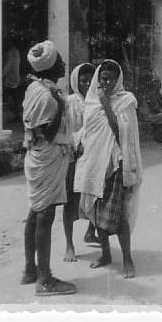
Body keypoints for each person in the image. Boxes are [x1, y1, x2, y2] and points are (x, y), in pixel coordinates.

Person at [74, 60, 143, 279]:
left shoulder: (126, 101)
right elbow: (87, 133)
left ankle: (128, 259)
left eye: (111, 78)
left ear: (118, 79)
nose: (107, 82)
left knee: (118, 216)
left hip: (115, 165)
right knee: (96, 213)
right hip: (94, 167)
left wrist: (106, 104)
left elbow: (122, 133)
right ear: (98, 78)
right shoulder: (91, 101)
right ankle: (105, 255)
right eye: (103, 78)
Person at [21, 40, 76, 296]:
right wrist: (61, 107)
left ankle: (30, 270)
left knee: (36, 211)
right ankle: (45, 279)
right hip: (48, 157)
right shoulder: (47, 95)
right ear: (52, 65)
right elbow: (47, 133)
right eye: (60, 60)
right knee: (45, 214)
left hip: (37, 158)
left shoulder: (35, 88)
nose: (64, 64)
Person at [62, 63, 98, 262]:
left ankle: (90, 231)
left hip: (94, 157)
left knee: (95, 195)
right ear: (76, 81)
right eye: (83, 80)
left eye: (90, 80)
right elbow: (65, 131)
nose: (87, 84)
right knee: (71, 201)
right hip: (74, 157)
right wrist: (79, 141)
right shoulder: (69, 103)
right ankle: (69, 244)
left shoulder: (99, 101)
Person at [3, 36, 22, 121]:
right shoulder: (16, 51)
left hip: (11, 78)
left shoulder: (11, 52)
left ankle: (15, 114)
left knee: (10, 96)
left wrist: (1, 75)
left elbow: (8, 65)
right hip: (14, 76)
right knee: (14, 96)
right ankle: (16, 114)